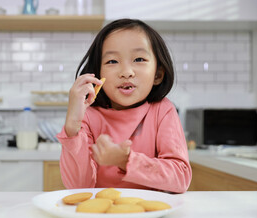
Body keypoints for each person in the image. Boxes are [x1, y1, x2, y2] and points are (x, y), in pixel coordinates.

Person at [56, 19, 192, 193]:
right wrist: (72, 126)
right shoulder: (89, 116)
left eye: (139, 59)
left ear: (158, 74)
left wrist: (126, 160)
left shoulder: (162, 110)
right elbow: (78, 187)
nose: (126, 72)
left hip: (149, 214)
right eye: (112, 61)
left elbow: (180, 178)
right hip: (102, 215)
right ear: (98, 75)